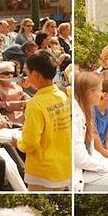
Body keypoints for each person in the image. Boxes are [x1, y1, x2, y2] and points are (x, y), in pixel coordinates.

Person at [16, 51, 72, 190]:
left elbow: (30, 143)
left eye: (27, 73)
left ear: (35, 74)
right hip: (63, 167)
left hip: (42, 171)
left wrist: (17, 143)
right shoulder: (61, 96)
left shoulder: (35, 104)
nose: (26, 77)